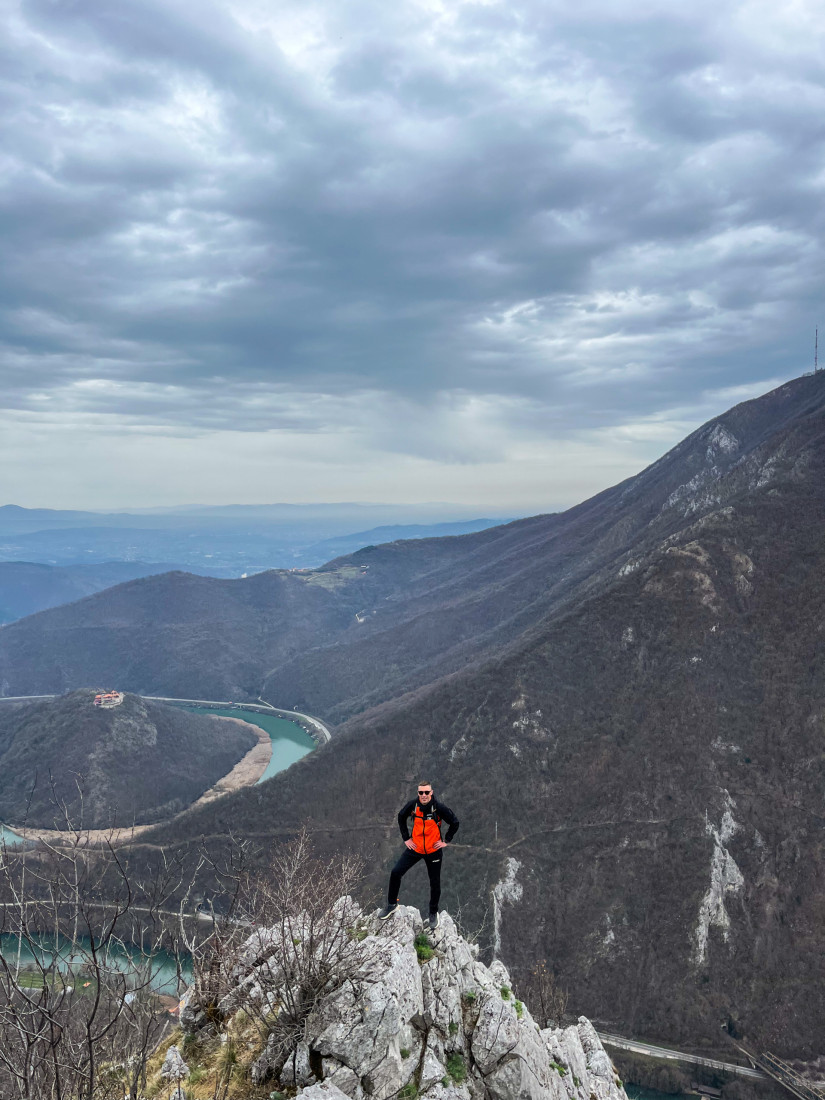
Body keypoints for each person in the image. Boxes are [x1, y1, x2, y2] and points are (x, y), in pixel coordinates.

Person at [378, 782, 459, 930]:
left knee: (434, 883)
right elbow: (401, 816)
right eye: (421, 792)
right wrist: (406, 838)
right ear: (418, 793)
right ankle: (391, 905)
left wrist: (446, 840)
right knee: (396, 872)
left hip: (433, 850)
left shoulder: (438, 808)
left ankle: (433, 912)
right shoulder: (413, 805)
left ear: (431, 792)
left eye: (426, 792)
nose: (423, 795)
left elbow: (455, 822)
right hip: (415, 848)